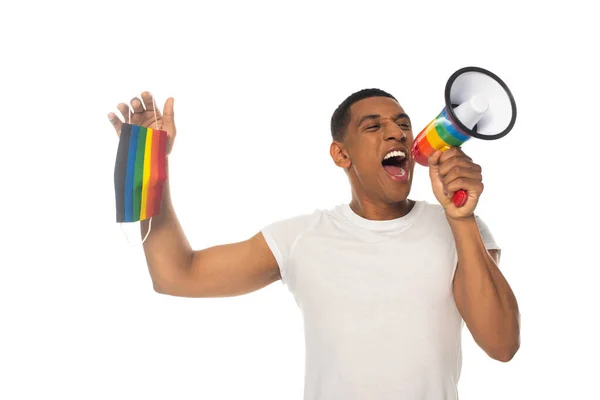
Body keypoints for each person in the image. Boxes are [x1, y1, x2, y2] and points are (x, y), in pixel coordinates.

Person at [108, 89, 520, 400]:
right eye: (373, 126)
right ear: (341, 155)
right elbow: (176, 275)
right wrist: (148, 162)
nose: (396, 131)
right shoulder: (302, 238)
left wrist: (460, 218)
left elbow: (502, 344)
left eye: (403, 124)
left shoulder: (462, 228)